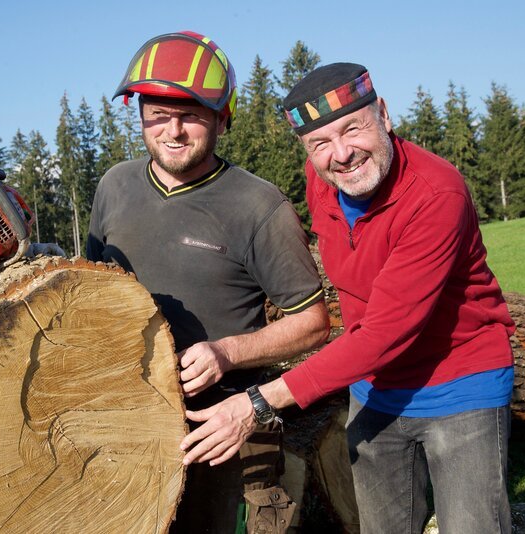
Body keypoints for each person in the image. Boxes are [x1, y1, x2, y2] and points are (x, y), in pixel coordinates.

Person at [180, 63, 516, 534]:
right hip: (374, 389)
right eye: (320, 143)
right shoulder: (322, 181)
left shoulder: (436, 194)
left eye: (353, 129)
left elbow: (384, 334)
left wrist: (257, 403)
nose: (341, 154)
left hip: (460, 384)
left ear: (384, 115)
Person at [86, 31, 330, 533]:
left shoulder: (259, 206)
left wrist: (227, 353)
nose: (173, 130)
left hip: (228, 428)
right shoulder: (114, 186)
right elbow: (91, 294)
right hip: (128, 423)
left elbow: (313, 323)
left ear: (222, 119)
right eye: (158, 113)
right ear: (139, 112)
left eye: (191, 115)